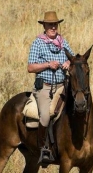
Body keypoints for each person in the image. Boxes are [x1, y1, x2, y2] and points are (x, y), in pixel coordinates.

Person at [27, 11, 74, 164]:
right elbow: (30, 67)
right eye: (50, 24)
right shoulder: (38, 43)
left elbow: (73, 58)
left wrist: (69, 63)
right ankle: (43, 148)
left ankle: (87, 147)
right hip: (45, 88)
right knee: (46, 116)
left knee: (80, 107)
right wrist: (48, 64)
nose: (53, 27)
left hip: (62, 86)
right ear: (44, 26)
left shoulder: (63, 42)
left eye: (55, 24)